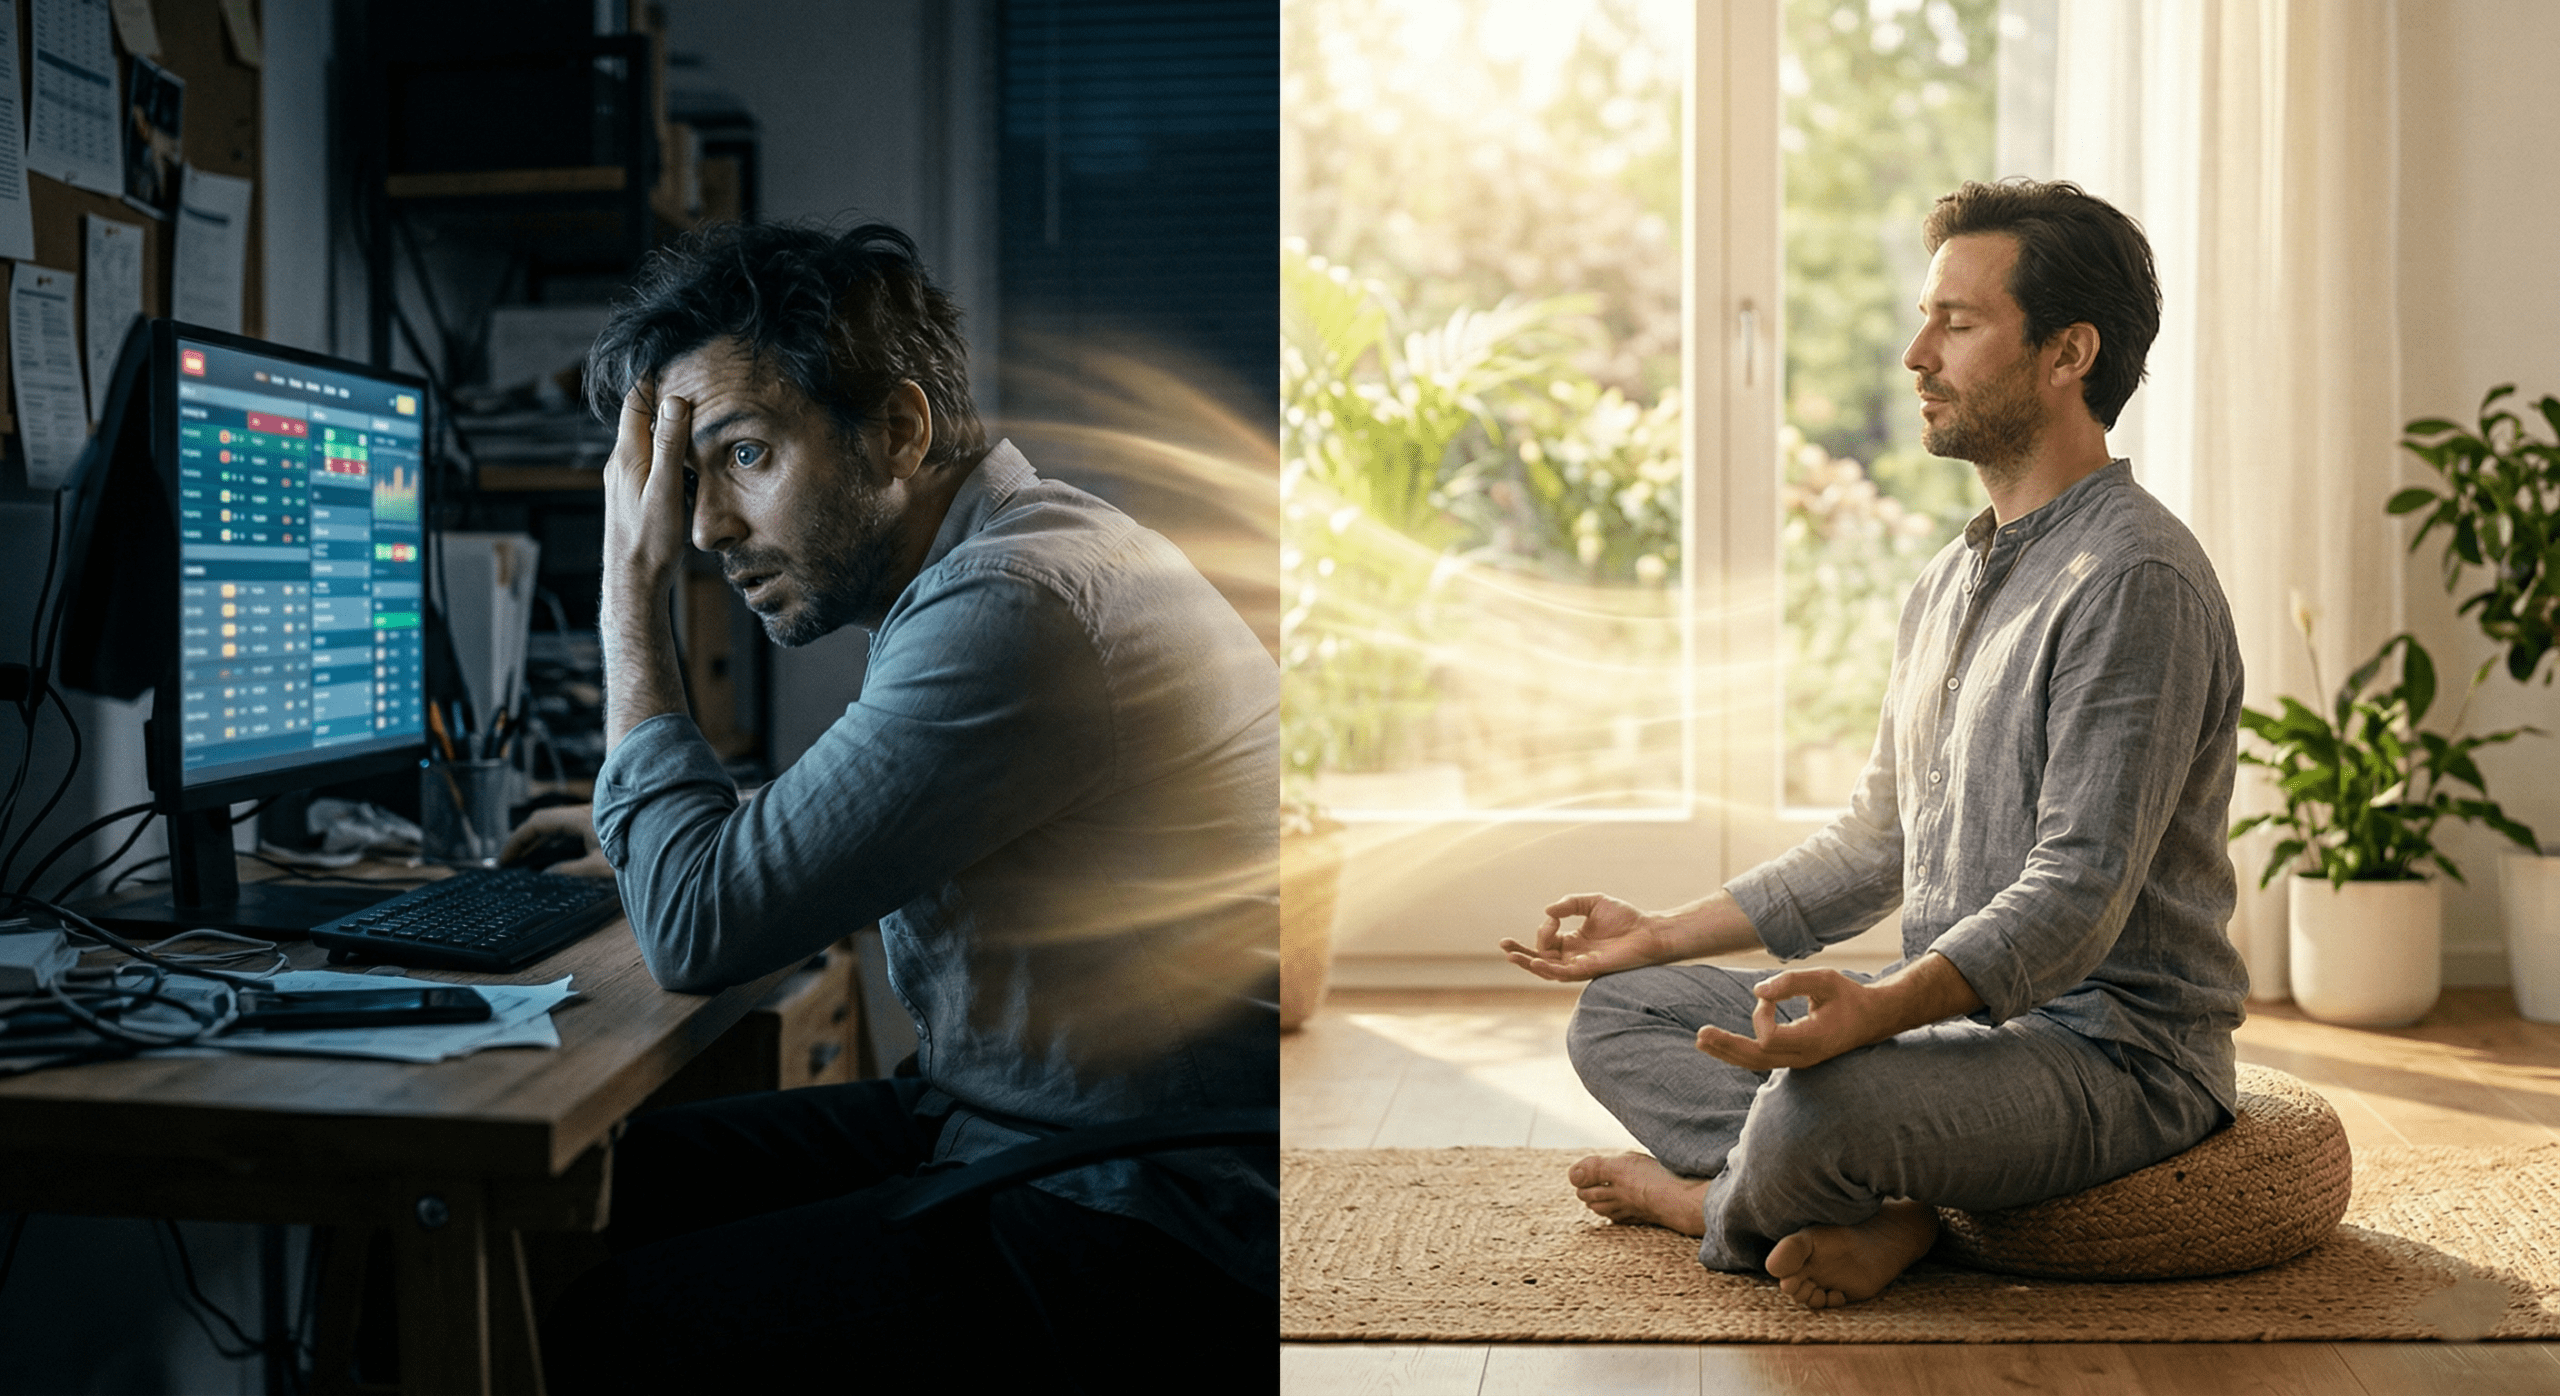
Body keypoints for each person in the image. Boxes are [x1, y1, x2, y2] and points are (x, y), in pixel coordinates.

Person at [533, 220, 1277, 1391]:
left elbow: (693, 930)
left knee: (605, 1323)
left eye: (742, 457)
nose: (704, 529)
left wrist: (629, 594)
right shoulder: (1021, 556)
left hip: (1141, 1201)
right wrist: (662, 830)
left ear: (897, 429)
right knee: (582, 1187)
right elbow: (895, 800)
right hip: (1027, 1124)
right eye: (681, 483)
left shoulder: (1013, 605)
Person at [1501, 179, 2249, 1309]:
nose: (1915, 352)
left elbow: (2075, 894)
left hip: (2112, 1053)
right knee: (1624, 1013)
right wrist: (1654, 934)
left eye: (1956, 323)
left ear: (2067, 352)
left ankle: (1710, 1201)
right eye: (1924, 318)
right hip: (1948, 1021)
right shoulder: (1948, 581)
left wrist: (1876, 1017)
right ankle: (1879, 1198)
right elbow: (1875, 842)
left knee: (1821, 1105)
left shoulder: (2130, 579)